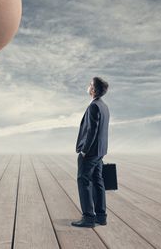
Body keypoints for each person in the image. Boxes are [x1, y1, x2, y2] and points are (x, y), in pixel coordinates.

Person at [71, 77, 110, 228]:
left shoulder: (94, 106)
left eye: (90, 84)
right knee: (98, 181)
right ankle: (101, 216)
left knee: (84, 181)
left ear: (93, 90)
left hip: (90, 152)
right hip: (100, 151)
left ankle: (88, 218)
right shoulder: (104, 106)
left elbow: (92, 131)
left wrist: (84, 151)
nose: (88, 86)